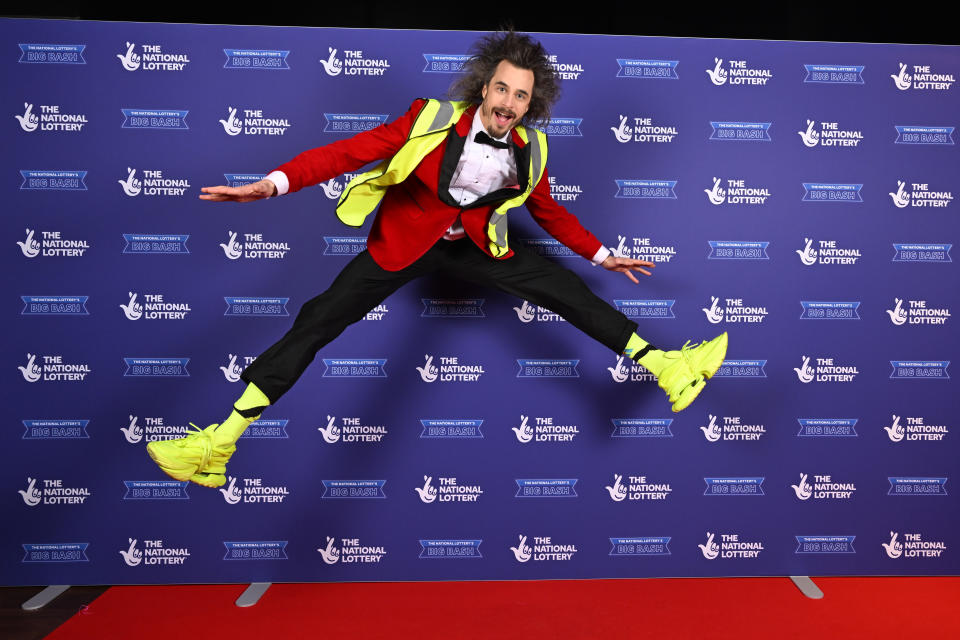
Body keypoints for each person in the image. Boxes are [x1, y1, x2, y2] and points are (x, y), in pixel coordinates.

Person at [147, 30, 727, 489]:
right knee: (318, 318)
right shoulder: (428, 119)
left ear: (532, 103)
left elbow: (549, 212)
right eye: (502, 89)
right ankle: (218, 444)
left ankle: (664, 366)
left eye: (522, 96)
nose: (509, 103)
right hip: (403, 245)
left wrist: (602, 255)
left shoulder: (531, 149)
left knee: (564, 288)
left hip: (477, 246)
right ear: (484, 88)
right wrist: (272, 185)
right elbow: (348, 152)